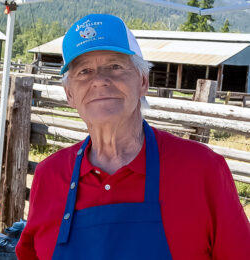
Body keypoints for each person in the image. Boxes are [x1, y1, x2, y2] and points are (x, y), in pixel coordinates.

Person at [15, 14, 250, 260]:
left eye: (115, 66)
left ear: (143, 81)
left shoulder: (202, 169)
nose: (100, 80)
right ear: (69, 94)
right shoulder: (49, 176)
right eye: (84, 71)